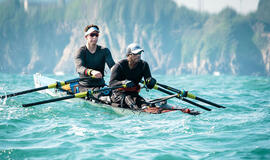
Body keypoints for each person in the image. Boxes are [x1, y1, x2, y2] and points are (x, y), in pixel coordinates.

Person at [109, 43, 157, 110]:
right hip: (118, 94)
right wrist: (123, 82)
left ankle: (146, 108)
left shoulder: (144, 65)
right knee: (128, 99)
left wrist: (151, 82)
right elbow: (111, 84)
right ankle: (137, 110)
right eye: (135, 54)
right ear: (129, 55)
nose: (138, 55)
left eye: (140, 53)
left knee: (143, 103)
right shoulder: (119, 65)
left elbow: (148, 85)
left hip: (133, 94)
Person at [74, 24, 115, 99]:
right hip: (85, 86)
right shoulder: (81, 51)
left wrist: (120, 72)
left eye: (96, 35)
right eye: (92, 35)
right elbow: (79, 68)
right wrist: (91, 72)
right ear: (86, 37)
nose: (95, 37)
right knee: (101, 97)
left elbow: (112, 66)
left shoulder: (104, 51)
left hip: (100, 85)